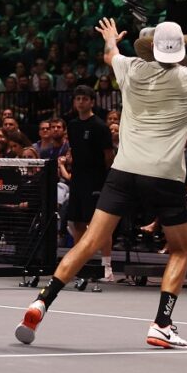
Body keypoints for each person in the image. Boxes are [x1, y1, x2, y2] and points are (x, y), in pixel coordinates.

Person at [16, 19, 187, 350]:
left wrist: (111, 39)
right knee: (182, 249)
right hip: (164, 176)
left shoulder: (132, 69)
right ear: (181, 52)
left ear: (153, 49)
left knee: (88, 243)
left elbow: (109, 54)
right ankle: (162, 324)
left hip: (124, 171)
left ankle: (42, 301)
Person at [66, 84, 116, 280]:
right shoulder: (72, 125)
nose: (80, 102)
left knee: (99, 224)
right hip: (77, 179)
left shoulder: (100, 126)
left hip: (96, 180)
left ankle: (107, 267)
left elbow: (108, 156)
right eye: (78, 99)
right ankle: (80, 264)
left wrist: (103, 179)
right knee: (77, 222)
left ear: (92, 102)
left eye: (84, 99)